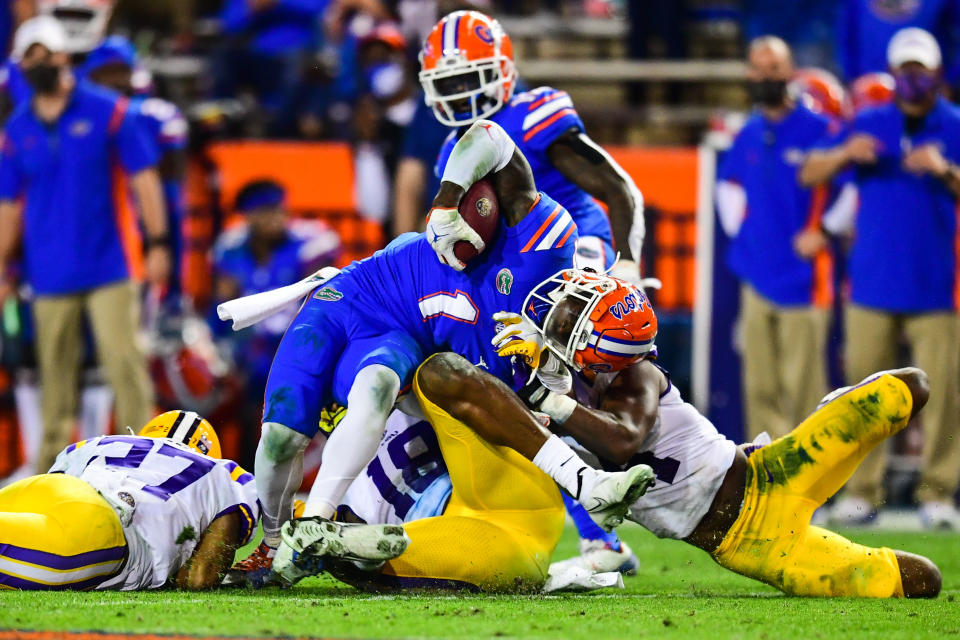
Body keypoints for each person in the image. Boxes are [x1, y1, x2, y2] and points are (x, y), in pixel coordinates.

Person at [228, 119, 652, 587]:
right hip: (349, 298)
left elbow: (529, 402)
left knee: (376, 390)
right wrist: (447, 200)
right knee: (280, 434)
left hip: (398, 342)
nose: (562, 313)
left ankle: (316, 525)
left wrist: (546, 371)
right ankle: (270, 542)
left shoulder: (540, 271)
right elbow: (488, 135)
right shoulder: (541, 239)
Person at [508, 268, 941, 598]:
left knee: (908, 388)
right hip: (749, 546)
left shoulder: (636, 375)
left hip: (770, 474)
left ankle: (831, 407)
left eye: (565, 324)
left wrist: (551, 403)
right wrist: (548, 397)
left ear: (594, 347)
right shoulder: (565, 387)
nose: (551, 324)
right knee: (922, 580)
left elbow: (622, 439)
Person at [420, 10, 648, 572]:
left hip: (574, 259)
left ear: (501, 73)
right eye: (448, 85)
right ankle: (597, 532)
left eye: (468, 79)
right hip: (513, 279)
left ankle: (607, 533)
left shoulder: (532, 113)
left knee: (561, 396)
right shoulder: (450, 150)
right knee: (526, 402)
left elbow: (619, 188)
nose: (461, 94)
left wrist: (627, 266)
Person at [801, 27, 960, 528]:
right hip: (871, 285)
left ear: (936, 73)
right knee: (865, 395)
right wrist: (846, 154)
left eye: (920, 69)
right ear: (893, 74)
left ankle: (938, 494)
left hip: (936, 285)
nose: (912, 78)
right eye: (905, 69)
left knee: (944, 396)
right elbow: (810, 173)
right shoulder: (870, 121)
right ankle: (862, 492)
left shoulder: (954, 125)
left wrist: (946, 171)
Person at [0, 16, 170, 473]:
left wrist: (158, 242)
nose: (39, 63)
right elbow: (9, 206)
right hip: (48, 270)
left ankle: (147, 463)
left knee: (125, 365)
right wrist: (2, 268)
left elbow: (145, 179)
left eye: (46, 54)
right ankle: (49, 471)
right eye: (30, 56)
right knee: (53, 377)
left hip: (110, 262)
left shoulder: (109, 112)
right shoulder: (16, 130)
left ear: (64, 56)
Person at [714, 36, 833, 446]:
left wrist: (827, 230)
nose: (765, 77)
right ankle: (771, 471)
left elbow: (848, 191)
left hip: (804, 277)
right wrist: (748, 238)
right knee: (760, 386)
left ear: (790, 71)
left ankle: (813, 469)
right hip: (756, 272)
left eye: (774, 68)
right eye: (758, 69)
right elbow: (727, 188)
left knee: (803, 386)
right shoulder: (749, 131)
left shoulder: (819, 128)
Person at [0, 410, 258, 590]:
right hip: (100, 525)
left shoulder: (101, 441)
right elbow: (198, 579)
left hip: (45, 488)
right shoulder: (222, 472)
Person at [81, 35, 190, 303]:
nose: (114, 81)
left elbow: (172, 169)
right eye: (106, 73)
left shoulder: (150, 112)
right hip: (96, 203)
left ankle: (169, 298)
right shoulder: (78, 114)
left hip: (141, 202)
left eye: (120, 72)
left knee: (166, 196)